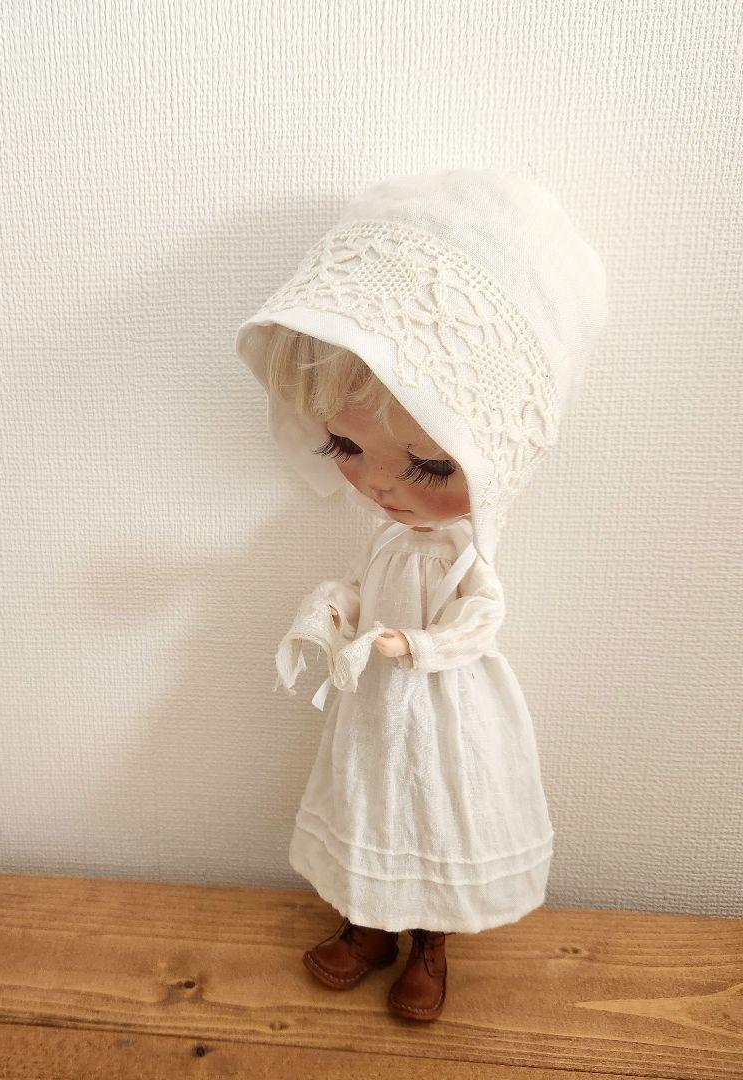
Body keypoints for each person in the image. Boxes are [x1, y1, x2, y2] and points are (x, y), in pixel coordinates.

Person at [235, 169, 608, 1021]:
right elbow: (367, 589)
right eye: (345, 447)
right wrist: (337, 610)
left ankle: (430, 944)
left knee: (434, 811)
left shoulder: (460, 554)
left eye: (430, 466)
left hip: (441, 707)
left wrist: (414, 645)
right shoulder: (386, 536)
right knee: (370, 801)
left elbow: (482, 618)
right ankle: (366, 923)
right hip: (374, 704)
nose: (380, 485)